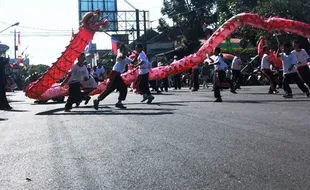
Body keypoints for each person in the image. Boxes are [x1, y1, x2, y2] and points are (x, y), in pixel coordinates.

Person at [93, 44, 132, 110]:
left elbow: (133, 62)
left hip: (118, 75)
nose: (127, 51)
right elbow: (121, 57)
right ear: (123, 50)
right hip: (114, 74)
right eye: (126, 50)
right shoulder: (119, 54)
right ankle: (98, 100)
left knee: (114, 89)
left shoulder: (126, 58)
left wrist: (137, 56)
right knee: (111, 89)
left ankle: (98, 100)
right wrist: (125, 52)